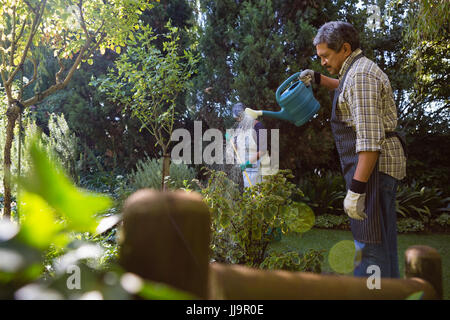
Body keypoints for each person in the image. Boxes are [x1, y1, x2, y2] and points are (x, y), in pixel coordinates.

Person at [301, 21, 406, 278]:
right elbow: (344, 89)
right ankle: (390, 295)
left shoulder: (360, 76)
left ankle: (372, 295)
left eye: (325, 56)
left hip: (374, 173)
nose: (322, 62)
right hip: (376, 172)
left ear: (345, 48)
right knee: (382, 247)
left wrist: (356, 190)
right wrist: (317, 79)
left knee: (370, 248)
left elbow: (370, 141)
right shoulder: (356, 72)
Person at [231, 102, 270, 188]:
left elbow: (263, 150)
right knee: (249, 194)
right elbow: (236, 147)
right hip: (246, 169)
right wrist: (232, 142)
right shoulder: (239, 128)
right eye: (237, 119)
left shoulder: (258, 126)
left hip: (257, 167)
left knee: (258, 194)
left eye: (240, 118)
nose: (239, 121)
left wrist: (248, 163)